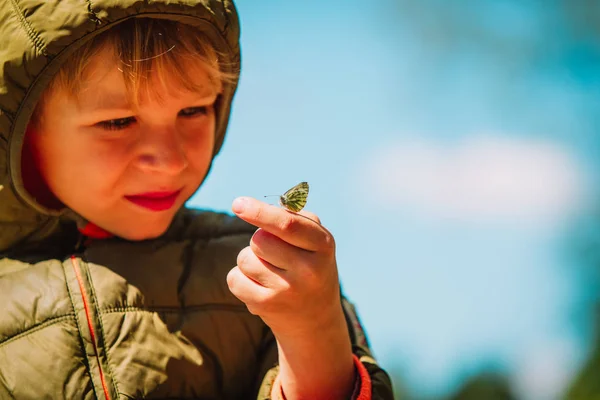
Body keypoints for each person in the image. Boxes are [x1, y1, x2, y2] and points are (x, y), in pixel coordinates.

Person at [0, 1, 394, 399]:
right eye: (118, 122)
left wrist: (313, 328)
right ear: (23, 128)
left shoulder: (258, 268)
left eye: (192, 111)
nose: (170, 161)